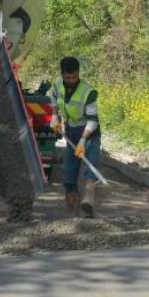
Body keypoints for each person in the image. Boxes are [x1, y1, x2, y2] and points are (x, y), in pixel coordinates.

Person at [51, 57, 102, 218]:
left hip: (89, 133)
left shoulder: (88, 92)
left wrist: (82, 141)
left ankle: (88, 203)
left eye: (74, 77)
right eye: (68, 77)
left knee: (90, 168)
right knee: (69, 175)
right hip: (71, 131)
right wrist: (55, 117)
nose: (71, 80)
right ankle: (73, 216)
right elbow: (53, 98)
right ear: (63, 74)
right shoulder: (57, 85)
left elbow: (93, 121)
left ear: (78, 74)